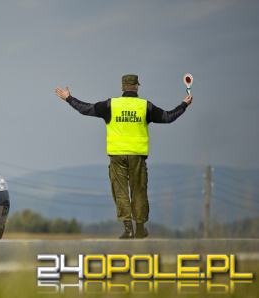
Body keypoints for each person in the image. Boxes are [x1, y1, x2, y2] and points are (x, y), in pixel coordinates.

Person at [55, 74, 192, 239]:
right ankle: (140, 228)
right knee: (139, 191)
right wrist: (184, 104)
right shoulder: (145, 106)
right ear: (136, 87)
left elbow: (86, 109)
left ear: (122, 87)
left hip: (117, 155)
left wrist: (69, 98)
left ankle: (128, 229)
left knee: (120, 191)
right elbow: (168, 117)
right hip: (137, 156)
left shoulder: (111, 105)